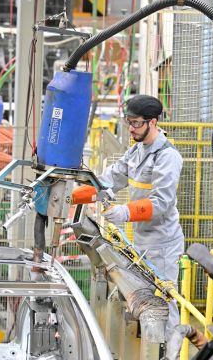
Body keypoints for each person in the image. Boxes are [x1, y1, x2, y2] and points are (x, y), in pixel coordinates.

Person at [73, 95, 185, 329]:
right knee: (144, 300)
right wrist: (70, 196)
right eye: (128, 122)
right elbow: (107, 181)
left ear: (152, 122)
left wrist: (125, 212)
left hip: (163, 244)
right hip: (141, 240)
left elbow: (162, 201)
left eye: (136, 123)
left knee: (164, 303)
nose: (130, 128)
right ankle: (152, 353)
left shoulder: (167, 156)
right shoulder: (136, 152)